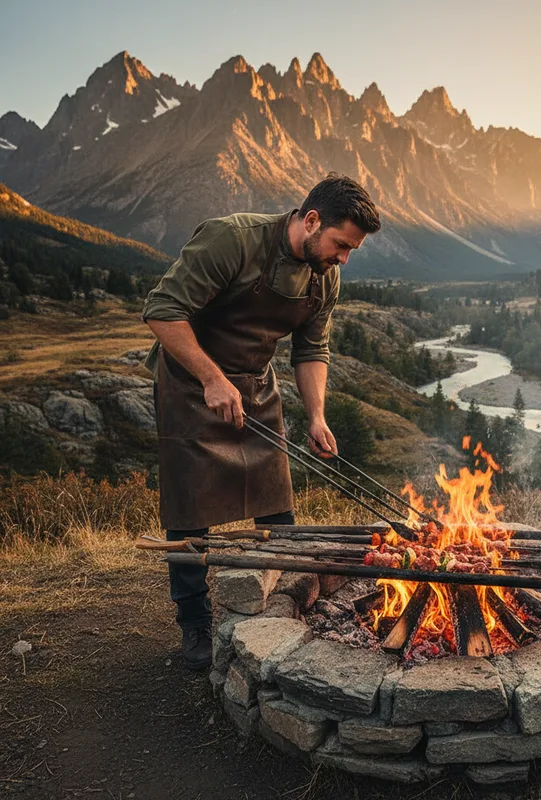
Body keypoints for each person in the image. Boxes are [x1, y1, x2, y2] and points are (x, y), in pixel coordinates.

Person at [142, 173, 381, 668]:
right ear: (311, 220)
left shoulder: (325, 275)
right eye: (341, 245)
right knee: (189, 513)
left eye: (351, 250)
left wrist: (316, 416)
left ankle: (283, 610)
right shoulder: (232, 240)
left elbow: (312, 348)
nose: (343, 258)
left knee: (278, 507)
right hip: (190, 382)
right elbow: (162, 309)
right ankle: (194, 624)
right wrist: (210, 378)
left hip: (255, 384)